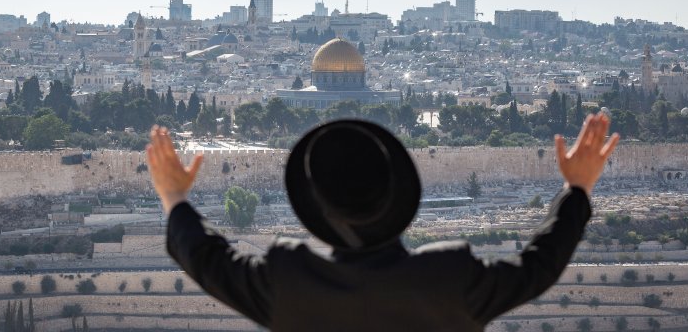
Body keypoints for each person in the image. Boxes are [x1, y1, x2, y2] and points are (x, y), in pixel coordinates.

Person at [148, 112, 618, 331]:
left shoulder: (290, 283)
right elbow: (539, 267)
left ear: (316, 210)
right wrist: (577, 190)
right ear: (400, 197)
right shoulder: (449, 279)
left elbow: (207, 259)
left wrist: (174, 196)